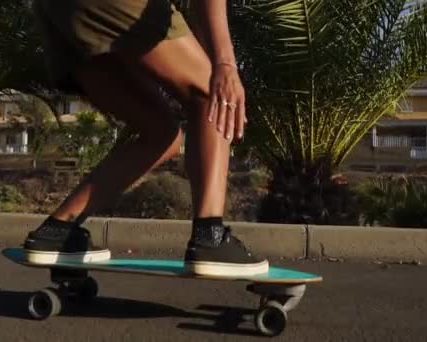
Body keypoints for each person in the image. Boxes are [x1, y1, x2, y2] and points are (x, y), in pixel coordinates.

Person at [22, 0, 269, 277]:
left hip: (55, 11)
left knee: (161, 135)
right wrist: (225, 65)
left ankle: (58, 231)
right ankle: (209, 235)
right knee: (214, 95)